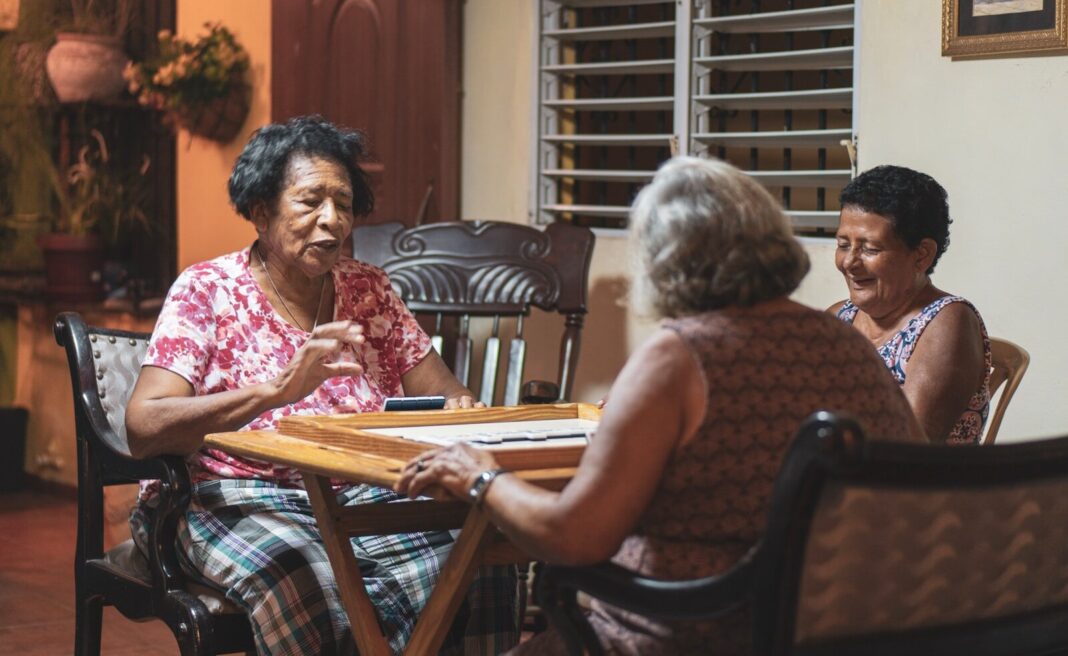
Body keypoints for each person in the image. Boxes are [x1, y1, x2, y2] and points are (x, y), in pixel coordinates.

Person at [396, 156, 925, 655]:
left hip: (688, 634)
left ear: (665, 261)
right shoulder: (846, 343)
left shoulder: (682, 355)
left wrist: (480, 476)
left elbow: (573, 536)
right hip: (832, 633)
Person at [124, 116, 517, 655]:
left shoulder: (368, 287)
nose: (332, 221)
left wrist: (458, 409)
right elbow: (144, 427)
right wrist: (278, 390)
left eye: (345, 204)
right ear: (260, 210)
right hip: (229, 495)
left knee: (480, 552)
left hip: (359, 490)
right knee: (305, 580)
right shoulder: (207, 290)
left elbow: (449, 395)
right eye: (310, 202)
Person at [829, 165, 991, 444]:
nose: (849, 263)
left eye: (870, 249)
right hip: (843, 478)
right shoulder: (840, 317)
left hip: (918, 485)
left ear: (922, 255)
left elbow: (908, 448)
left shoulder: (948, 322)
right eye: (844, 245)